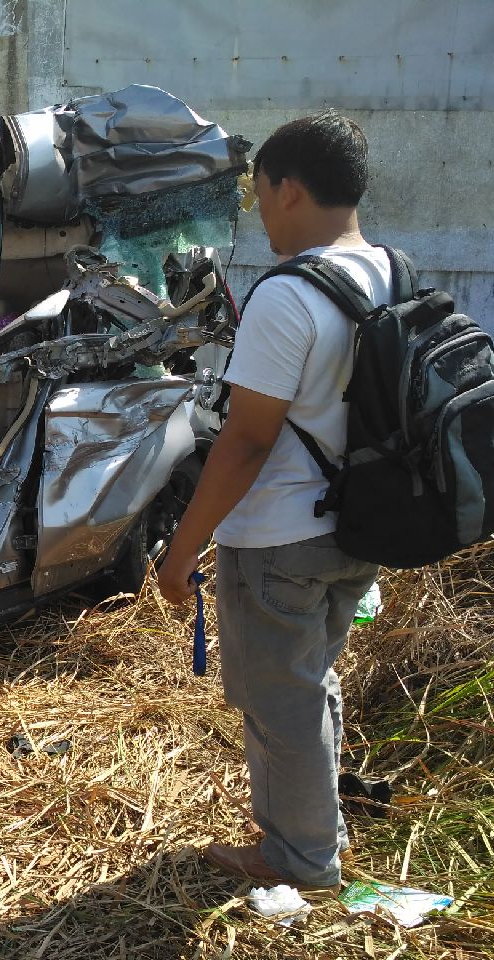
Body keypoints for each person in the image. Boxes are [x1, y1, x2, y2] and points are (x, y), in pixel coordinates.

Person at [156, 111, 387, 890]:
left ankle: (299, 859)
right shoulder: (389, 271)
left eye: (258, 197)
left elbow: (246, 442)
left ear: (289, 190)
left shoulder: (288, 297)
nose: (258, 215)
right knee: (310, 675)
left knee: (277, 699)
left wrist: (182, 549)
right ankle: (320, 830)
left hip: (281, 537)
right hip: (356, 525)